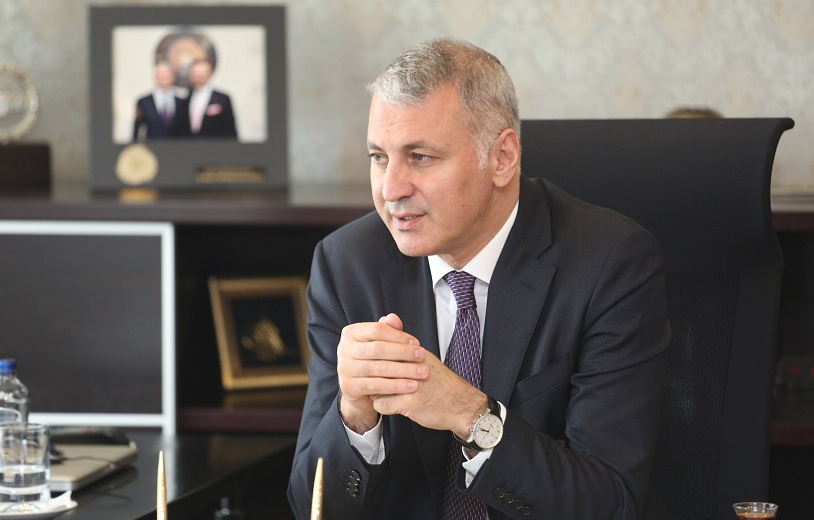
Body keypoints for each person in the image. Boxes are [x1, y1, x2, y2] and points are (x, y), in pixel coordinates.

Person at [288, 38, 670, 520]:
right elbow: (312, 509)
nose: (390, 189)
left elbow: (610, 503)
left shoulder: (609, 263)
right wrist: (354, 418)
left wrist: (470, 415)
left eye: (420, 157)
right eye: (379, 157)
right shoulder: (347, 264)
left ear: (502, 157)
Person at [173, 59, 237, 139]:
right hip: (189, 146)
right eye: (195, 75)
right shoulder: (184, 100)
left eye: (201, 75)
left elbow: (231, 132)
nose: (198, 78)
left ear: (209, 74)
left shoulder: (222, 99)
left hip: (215, 145)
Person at [132, 62, 181, 141]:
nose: (163, 79)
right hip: (152, 145)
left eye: (166, 76)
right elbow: (136, 131)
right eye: (160, 76)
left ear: (172, 78)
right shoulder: (144, 102)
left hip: (176, 146)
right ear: (155, 77)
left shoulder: (181, 102)